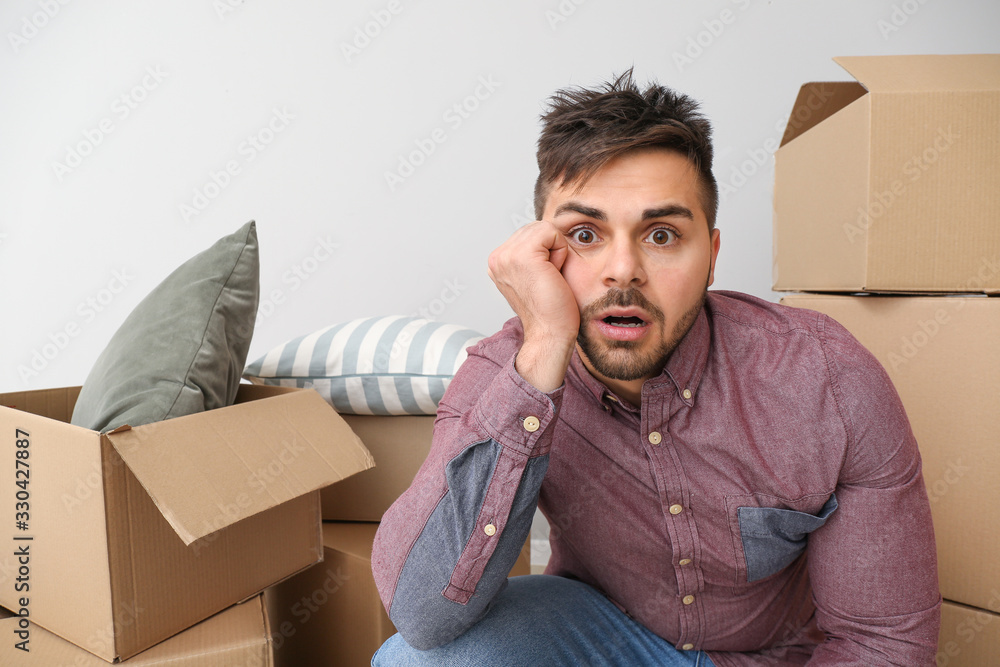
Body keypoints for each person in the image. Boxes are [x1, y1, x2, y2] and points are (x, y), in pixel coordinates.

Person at [370, 70, 941, 666]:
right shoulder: (506, 372)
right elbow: (424, 618)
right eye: (585, 234)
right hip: (601, 637)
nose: (623, 270)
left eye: (662, 234)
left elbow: (885, 643)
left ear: (712, 256)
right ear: (541, 252)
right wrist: (543, 347)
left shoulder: (828, 381)